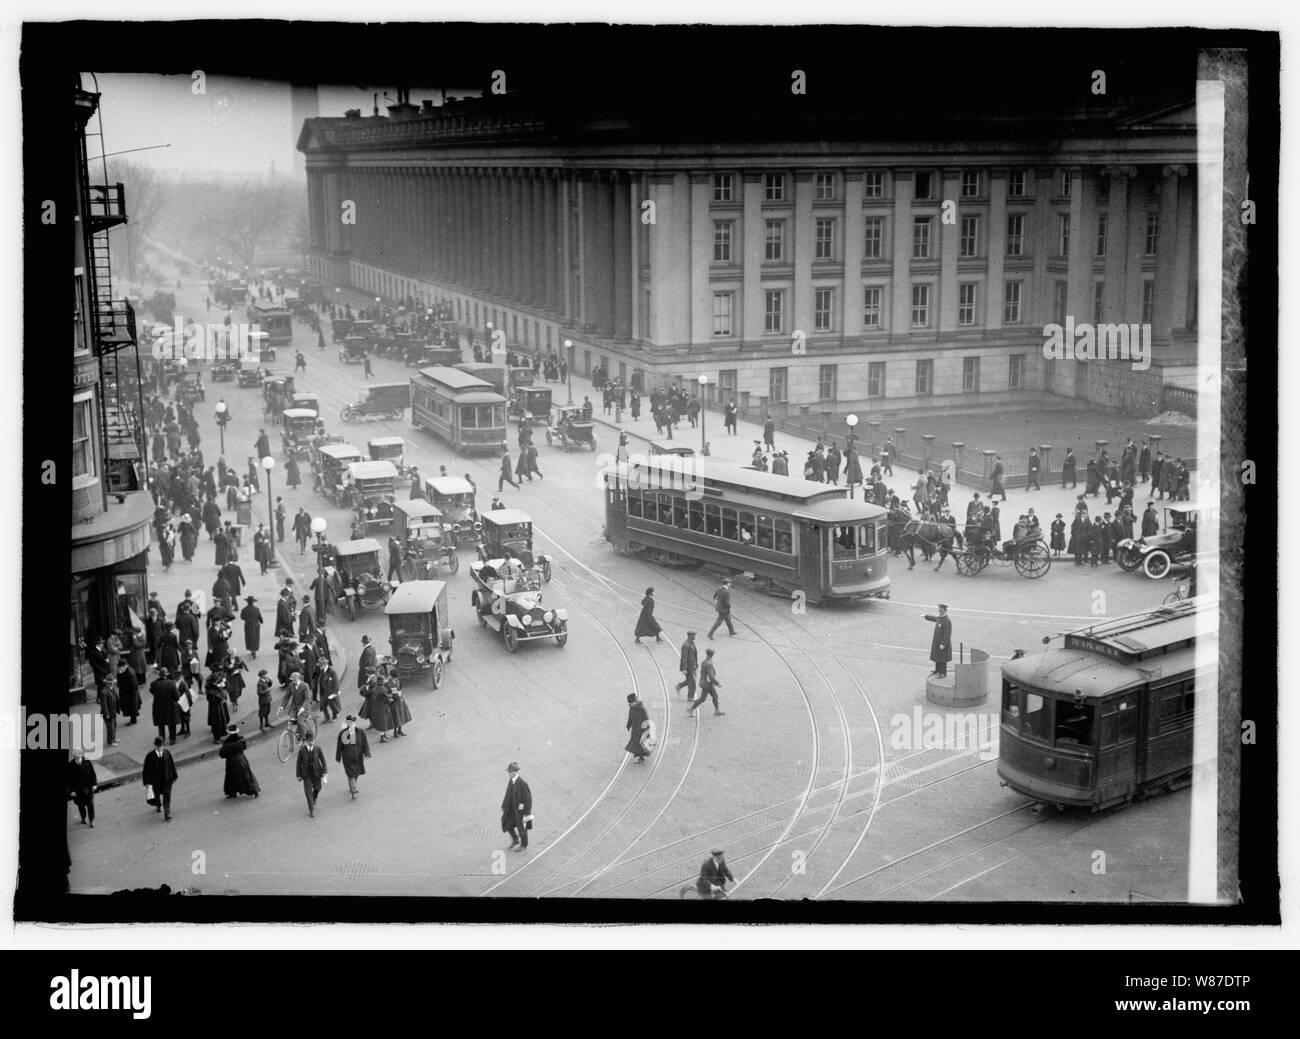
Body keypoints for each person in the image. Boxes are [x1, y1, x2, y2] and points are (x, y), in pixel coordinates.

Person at [219, 723, 261, 799]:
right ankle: (254, 790)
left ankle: (232, 792)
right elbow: (245, 746)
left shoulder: (227, 743)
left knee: (231, 777)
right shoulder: (241, 739)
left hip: (232, 762)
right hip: (242, 759)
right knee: (247, 775)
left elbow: (222, 754)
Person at [335, 714, 371, 799]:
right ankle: (354, 791)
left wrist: (367, 753)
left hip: (358, 757)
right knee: (351, 774)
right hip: (347, 758)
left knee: (356, 773)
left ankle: (352, 785)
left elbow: (365, 743)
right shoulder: (343, 733)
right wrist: (338, 757)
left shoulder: (360, 732)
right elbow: (339, 746)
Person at [142, 737, 178, 821]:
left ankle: (167, 812)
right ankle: (158, 805)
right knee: (157, 794)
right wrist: (146, 782)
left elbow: (172, 765)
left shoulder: (167, 753)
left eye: (161, 746)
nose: (160, 748)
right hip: (156, 780)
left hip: (167, 779)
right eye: (158, 746)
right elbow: (146, 770)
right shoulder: (149, 756)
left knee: (167, 795)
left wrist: (174, 776)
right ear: (155, 746)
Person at [500, 761, 533, 852]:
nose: (508, 774)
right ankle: (515, 839)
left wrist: (526, 814)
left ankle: (523, 845)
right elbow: (508, 794)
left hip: (520, 811)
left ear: (514, 772)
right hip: (511, 810)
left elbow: (528, 799)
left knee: (521, 828)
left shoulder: (522, 783)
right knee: (507, 823)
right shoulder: (511, 781)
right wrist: (504, 806)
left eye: (509, 772)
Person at [295, 729, 328, 818]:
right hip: (306, 774)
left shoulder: (318, 749)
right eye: (309, 741)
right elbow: (298, 763)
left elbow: (323, 760)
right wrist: (298, 775)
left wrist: (325, 772)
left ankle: (315, 797)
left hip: (316, 773)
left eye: (312, 740)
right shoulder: (301, 751)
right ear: (305, 741)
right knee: (308, 792)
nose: (311, 742)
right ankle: (311, 809)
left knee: (318, 788)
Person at [688, 649, 724, 716]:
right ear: (712, 655)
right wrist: (717, 683)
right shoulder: (709, 664)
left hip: (704, 682)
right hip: (707, 684)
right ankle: (691, 709)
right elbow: (711, 676)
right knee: (704, 698)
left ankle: (717, 711)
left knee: (713, 696)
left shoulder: (704, 662)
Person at [67, 750, 98, 828]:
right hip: (78, 790)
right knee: (81, 805)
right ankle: (83, 818)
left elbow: (92, 773)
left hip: (88, 787)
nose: (77, 758)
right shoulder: (70, 765)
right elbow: (68, 780)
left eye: (78, 756)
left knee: (90, 804)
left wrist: (94, 784)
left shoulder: (87, 762)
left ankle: (92, 820)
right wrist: (71, 791)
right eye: (75, 757)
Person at [150, 668, 179, 745]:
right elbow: (177, 696)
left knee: (161, 725)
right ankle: (172, 739)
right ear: (166, 675)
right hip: (170, 707)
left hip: (158, 708)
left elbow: (152, 691)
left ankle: (161, 740)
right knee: (172, 725)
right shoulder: (171, 683)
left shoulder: (154, 684)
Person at [923, 604, 952, 678]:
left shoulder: (947, 620)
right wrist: (926, 616)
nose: (940, 612)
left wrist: (943, 643)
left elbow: (947, 634)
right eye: (939, 610)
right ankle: (937, 670)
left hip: (942, 643)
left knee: (943, 658)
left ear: (945, 611)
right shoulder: (940, 618)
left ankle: (943, 672)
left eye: (941, 610)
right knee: (937, 656)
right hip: (937, 642)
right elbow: (934, 618)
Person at [625, 693, 652, 763]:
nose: (631, 704)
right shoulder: (631, 709)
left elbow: (646, 719)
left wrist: (647, 730)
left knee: (640, 744)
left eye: (632, 702)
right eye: (630, 703)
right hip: (635, 729)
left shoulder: (642, 709)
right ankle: (639, 756)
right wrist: (628, 725)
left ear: (635, 701)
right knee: (636, 743)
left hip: (642, 730)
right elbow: (630, 718)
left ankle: (641, 757)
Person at [116, 658, 140, 727]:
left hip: (131, 694)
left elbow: (134, 685)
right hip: (127, 693)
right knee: (131, 707)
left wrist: (132, 693)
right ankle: (133, 719)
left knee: (132, 707)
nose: (119, 669)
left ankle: (133, 720)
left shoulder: (130, 673)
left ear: (125, 666)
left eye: (120, 667)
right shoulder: (124, 671)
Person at [675, 631, 698, 698]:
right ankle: (690, 697)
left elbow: (694, 654)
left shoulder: (691, 643)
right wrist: (684, 669)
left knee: (690, 680)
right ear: (690, 635)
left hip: (692, 666)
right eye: (694, 635)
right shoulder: (685, 645)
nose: (695, 636)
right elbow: (684, 658)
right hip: (688, 667)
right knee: (692, 682)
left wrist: (696, 664)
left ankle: (679, 686)